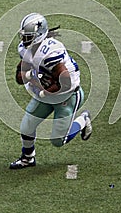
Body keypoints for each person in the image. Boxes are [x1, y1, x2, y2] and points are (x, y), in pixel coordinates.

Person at [10, 12, 92, 169]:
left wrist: (43, 92)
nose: (23, 40)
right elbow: (20, 75)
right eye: (24, 35)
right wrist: (27, 74)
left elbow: (65, 83)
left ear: (38, 35)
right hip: (47, 91)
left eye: (28, 36)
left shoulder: (50, 54)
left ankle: (83, 120)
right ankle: (28, 158)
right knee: (26, 128)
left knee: (58, 141)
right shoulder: (25, 49)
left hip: (66, 95)